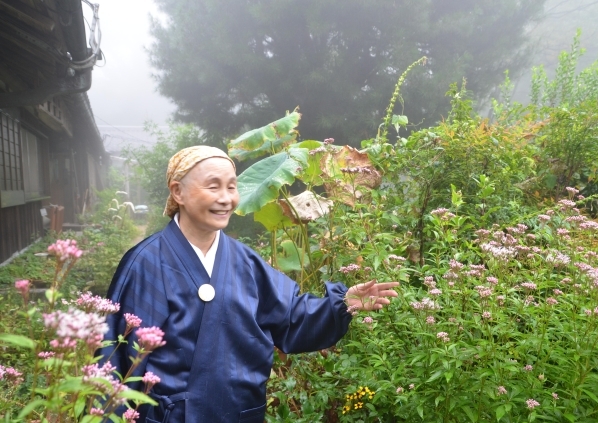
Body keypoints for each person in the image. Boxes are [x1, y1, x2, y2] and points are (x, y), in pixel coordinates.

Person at [100, 146, 399, 423]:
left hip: (240, 414)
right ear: (178, 192)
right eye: (213, 186)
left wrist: (342, 303)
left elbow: (291, 316)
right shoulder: (147, 263)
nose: (226, 198)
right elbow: (116, 355)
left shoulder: (244, 261)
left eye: (231, 186)